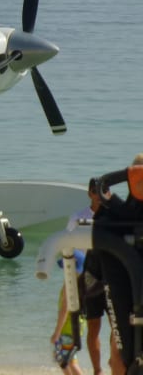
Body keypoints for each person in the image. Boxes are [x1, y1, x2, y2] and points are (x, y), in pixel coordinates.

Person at [92, 153, 143, 375]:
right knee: (119, 351)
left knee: (120, 350)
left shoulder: (116, 215)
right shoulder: (115, 217)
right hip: (122, 289)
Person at [66, 178, 107, 375]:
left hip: (113, 276)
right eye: (97, 192)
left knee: (121, 325)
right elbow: (67, 247)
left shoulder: (114, 216)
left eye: (104, 192)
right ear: (90, 193)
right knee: (93, 326)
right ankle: (97, 370)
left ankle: (116, 361)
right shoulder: (78, 217)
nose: (100, 196)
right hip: (89, 276)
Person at [51, 250, 86, 375]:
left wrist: (57, 332)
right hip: (78, 324)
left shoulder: (70, 284)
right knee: (68, 359)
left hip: (68, 327)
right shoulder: (82, 283)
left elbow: (65, 307)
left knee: (64, 359)